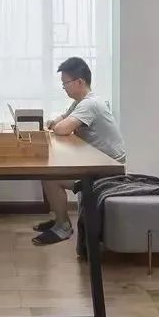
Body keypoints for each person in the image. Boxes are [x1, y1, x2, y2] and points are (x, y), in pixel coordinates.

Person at [32, 57, 126, 246]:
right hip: (98, 164)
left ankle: (63, 226)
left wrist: (57, 125)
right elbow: (62, 119)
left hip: (108, 171)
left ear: (79, 82)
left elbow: (61, 129)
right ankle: (59, 219)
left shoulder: (90, 104)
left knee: (50, 177)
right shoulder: (81, 102)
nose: (64, 88)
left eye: (65, 83)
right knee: (48, 172)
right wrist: (55, 122)